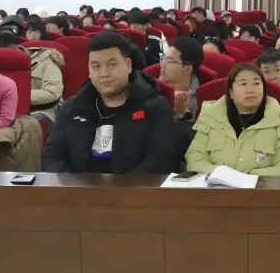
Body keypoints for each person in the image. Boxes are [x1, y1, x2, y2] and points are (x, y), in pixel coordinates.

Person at [42, 32, 180, 174]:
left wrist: (121, 187)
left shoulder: (156, 108)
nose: (104, 73)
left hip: (135, 187)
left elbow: (159, 162)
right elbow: (52, 155)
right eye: (96, 66)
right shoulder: (72, 108)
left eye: (112, 64)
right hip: (77, 187)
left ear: (128, 65)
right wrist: (70, 184)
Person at [184, 62, 280, 176]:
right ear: (231, 91)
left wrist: (249, 179)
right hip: (216, 186)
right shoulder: (211, 115)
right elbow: (195, 159)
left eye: (256, 83)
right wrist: (223, 175)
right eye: (243, 84)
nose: (251, 90)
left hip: (261, 187)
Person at [159, 36, 204, 125]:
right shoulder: (154, 83)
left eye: (170, 61)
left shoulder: (198, 101)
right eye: (163, 58)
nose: (162, 64)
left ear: (187, 69)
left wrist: (182, 115)